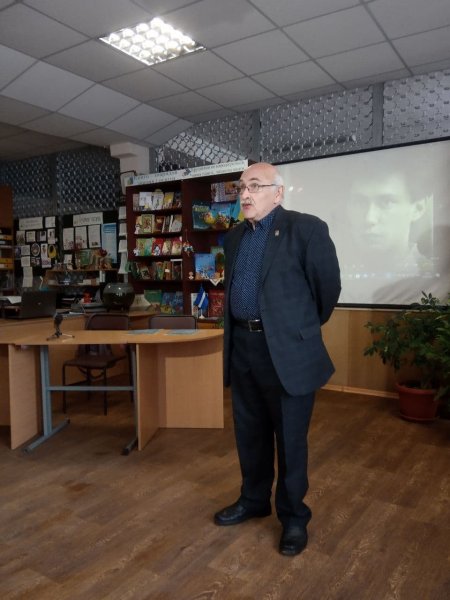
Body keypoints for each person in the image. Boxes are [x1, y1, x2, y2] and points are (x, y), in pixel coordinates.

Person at [214, 162, 341, 556]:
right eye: (241, 188)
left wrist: (296, 330)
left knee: (290, 440)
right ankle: (254, 500)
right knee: (249, 433)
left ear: (278, 192)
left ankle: (294, 518)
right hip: (243, 348)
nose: (245, 195)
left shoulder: (306, 229)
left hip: (286, 351)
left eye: (255, 186)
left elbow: (327, 291)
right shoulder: (234, 238)